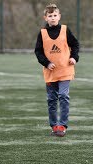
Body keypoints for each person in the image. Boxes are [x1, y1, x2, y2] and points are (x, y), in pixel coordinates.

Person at [34, 3, 79, 137]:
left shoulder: (65, 30)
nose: (53, 18)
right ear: (45, 18)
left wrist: (74, 57)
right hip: (50, 73)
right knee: (52, 100)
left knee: (64, 96)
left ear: (59, 16)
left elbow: (75, 45)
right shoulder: (42, 33)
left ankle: (62, 125)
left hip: (65, 71)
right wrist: (46, 63)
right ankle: (54, 126)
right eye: (50, 16)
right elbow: (38, 52)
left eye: (55, 15)